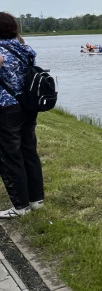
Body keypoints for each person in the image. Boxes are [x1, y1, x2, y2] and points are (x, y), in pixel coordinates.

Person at [0, 12, 44, 218]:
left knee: (10, 157)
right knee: (29, 152)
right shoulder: (24, 47)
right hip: (27, 105)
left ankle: (20, 207)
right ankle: (36, 201)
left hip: (6, 107)